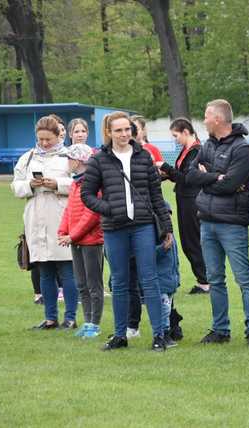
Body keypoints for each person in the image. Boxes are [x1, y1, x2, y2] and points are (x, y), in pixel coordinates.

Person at [81, 111, 173, 352]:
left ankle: (159, 335)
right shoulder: (99, 159)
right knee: (120, 282)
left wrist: (167, 229)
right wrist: (108, 208)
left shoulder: (143, 157)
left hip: (143, 226)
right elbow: (87, 195)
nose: (124, 134)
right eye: (118, 130)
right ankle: (120, 335)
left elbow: (156, 195)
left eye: (127, 129)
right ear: (109, 133)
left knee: (150, 280)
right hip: (114, 228)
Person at [186, 99, 249, 346]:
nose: (204, 120)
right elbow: (190, 174)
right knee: (215, 278)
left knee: (243, 278)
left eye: (207, 116)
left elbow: (230, 185)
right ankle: (220, 330)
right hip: (207, 221)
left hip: (232, 223)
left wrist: (206, 177)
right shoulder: (207, 144)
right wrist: (213, 177)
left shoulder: (243, 150)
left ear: (218, 119)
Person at [11, 115, 78, 329]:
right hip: (35, 217)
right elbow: (16, 187)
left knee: (67, 270)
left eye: (48, 139)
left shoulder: (69, 157)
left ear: (59, 136)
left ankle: (70, 318)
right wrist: (30, 185)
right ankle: (50, 318)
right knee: (45, 270)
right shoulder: (28, 158)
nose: (44, 143)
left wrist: (57, 183)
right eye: (40, 139)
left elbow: (81, 183)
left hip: (61, 217)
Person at [158, 117, 210, 295]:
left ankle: (205, 281)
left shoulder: (196, 151)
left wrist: (165, 166)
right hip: (184, 198)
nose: (175, 139)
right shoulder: (186, 150)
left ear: (186, 132)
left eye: (176, 135)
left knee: (192, 241)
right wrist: (164, 175)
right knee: (189, 241)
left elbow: (187, 178)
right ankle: (203, 279)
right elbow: (179, 175)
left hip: (192, 200)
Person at [57, 143, 104, 338]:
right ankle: (87, 321)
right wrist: (62, 231)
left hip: (91, 242)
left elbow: (92, 214)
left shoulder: (92, 184)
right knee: (81, 284)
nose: (66, 162)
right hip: (75, 241)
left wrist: (73, 235)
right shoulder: (74, 183)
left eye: (68, 159)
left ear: (77, 161)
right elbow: (69, 210)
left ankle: (95, 324)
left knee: (94, 285)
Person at [156, 202, 181, 348]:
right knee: (164, 309)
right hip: (161, 281)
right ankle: (163, 333)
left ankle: (166, 332)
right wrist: (162, 249)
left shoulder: (171, 236)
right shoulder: (158, 237)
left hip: (170, 280)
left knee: (167, 307)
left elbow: (175, 259)